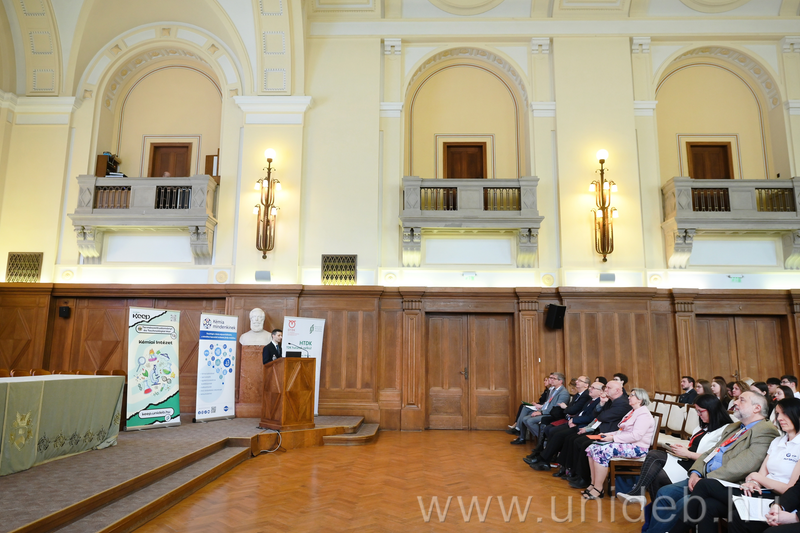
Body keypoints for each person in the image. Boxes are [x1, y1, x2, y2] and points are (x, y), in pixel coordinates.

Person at [643, 392, 780, 533]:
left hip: (726, 483)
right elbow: (710, 452)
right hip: (705, 477)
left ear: (757, 408)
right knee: (664, 493)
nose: (735, 402)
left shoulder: (765, 431)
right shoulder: (736, 427)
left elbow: (743, 466)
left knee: (684, 503)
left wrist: (706, 481)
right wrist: (696, 472)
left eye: (741, 400)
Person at [677, 398, 800, 533]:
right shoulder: (777, 441)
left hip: (779, 498)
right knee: (708, 505)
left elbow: (791, 489)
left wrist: (757, 478)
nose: (779, 418)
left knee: (705, 484)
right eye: (777, 414)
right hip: (760, 491)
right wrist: (753, 483)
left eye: (784, 413)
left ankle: (677, 530)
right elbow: (762, 473)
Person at [616, 394, 730, 506]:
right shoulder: (704, 425)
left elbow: (714, 458)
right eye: (697, 411)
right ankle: (646, 500)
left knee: (656, 474)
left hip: (697, 466)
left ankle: (651, 504)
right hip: (686, 458)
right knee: (653, 455)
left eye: (701, 411)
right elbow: (696, 445)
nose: (698, 414)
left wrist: (688, 453)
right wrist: (684, 449)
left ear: (712, 409)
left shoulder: (725, 430)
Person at [582, 388, 655, 500]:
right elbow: (622, 431)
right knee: (592, 447)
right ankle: (593, 483)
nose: (629, 397)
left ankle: (598, 488)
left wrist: (613, 438)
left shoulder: (643, 414)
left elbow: (636, 436)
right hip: (627, 443)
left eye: (632, 395)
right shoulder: (633, 411)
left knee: (602, 451)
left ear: (640, 399)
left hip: (638, 448)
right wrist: (607, 435)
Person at [512, 373, 569, 445]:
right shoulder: (554, 390)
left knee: (530, 421)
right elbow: (547, 404)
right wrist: (539, 410)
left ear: (560, 381)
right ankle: (541, 440)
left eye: (554, 379)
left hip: (552, 415)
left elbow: (555, 408)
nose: (551, 380)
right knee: (525, 419)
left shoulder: (563, 393)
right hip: (546, 411)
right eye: (551, 378)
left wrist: (541, 412)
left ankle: (544, 441)